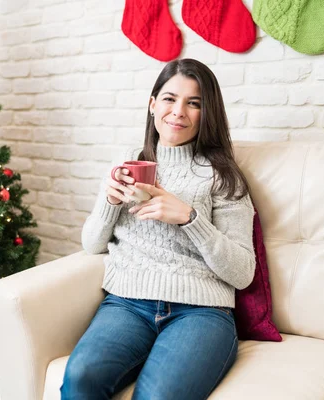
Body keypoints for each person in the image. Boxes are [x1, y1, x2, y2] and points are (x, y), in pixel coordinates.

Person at [61, 58, 256, 400]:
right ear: (153, 105)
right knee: (80, 377)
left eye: (194, 103)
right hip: (127, 304)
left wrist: (189, 219)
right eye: (169, 98)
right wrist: (109, 199)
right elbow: (92, 244)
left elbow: (243, 273)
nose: (178, 111)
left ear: (206, 113)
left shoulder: (223, 176)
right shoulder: (127, 162)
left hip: (201, 313)